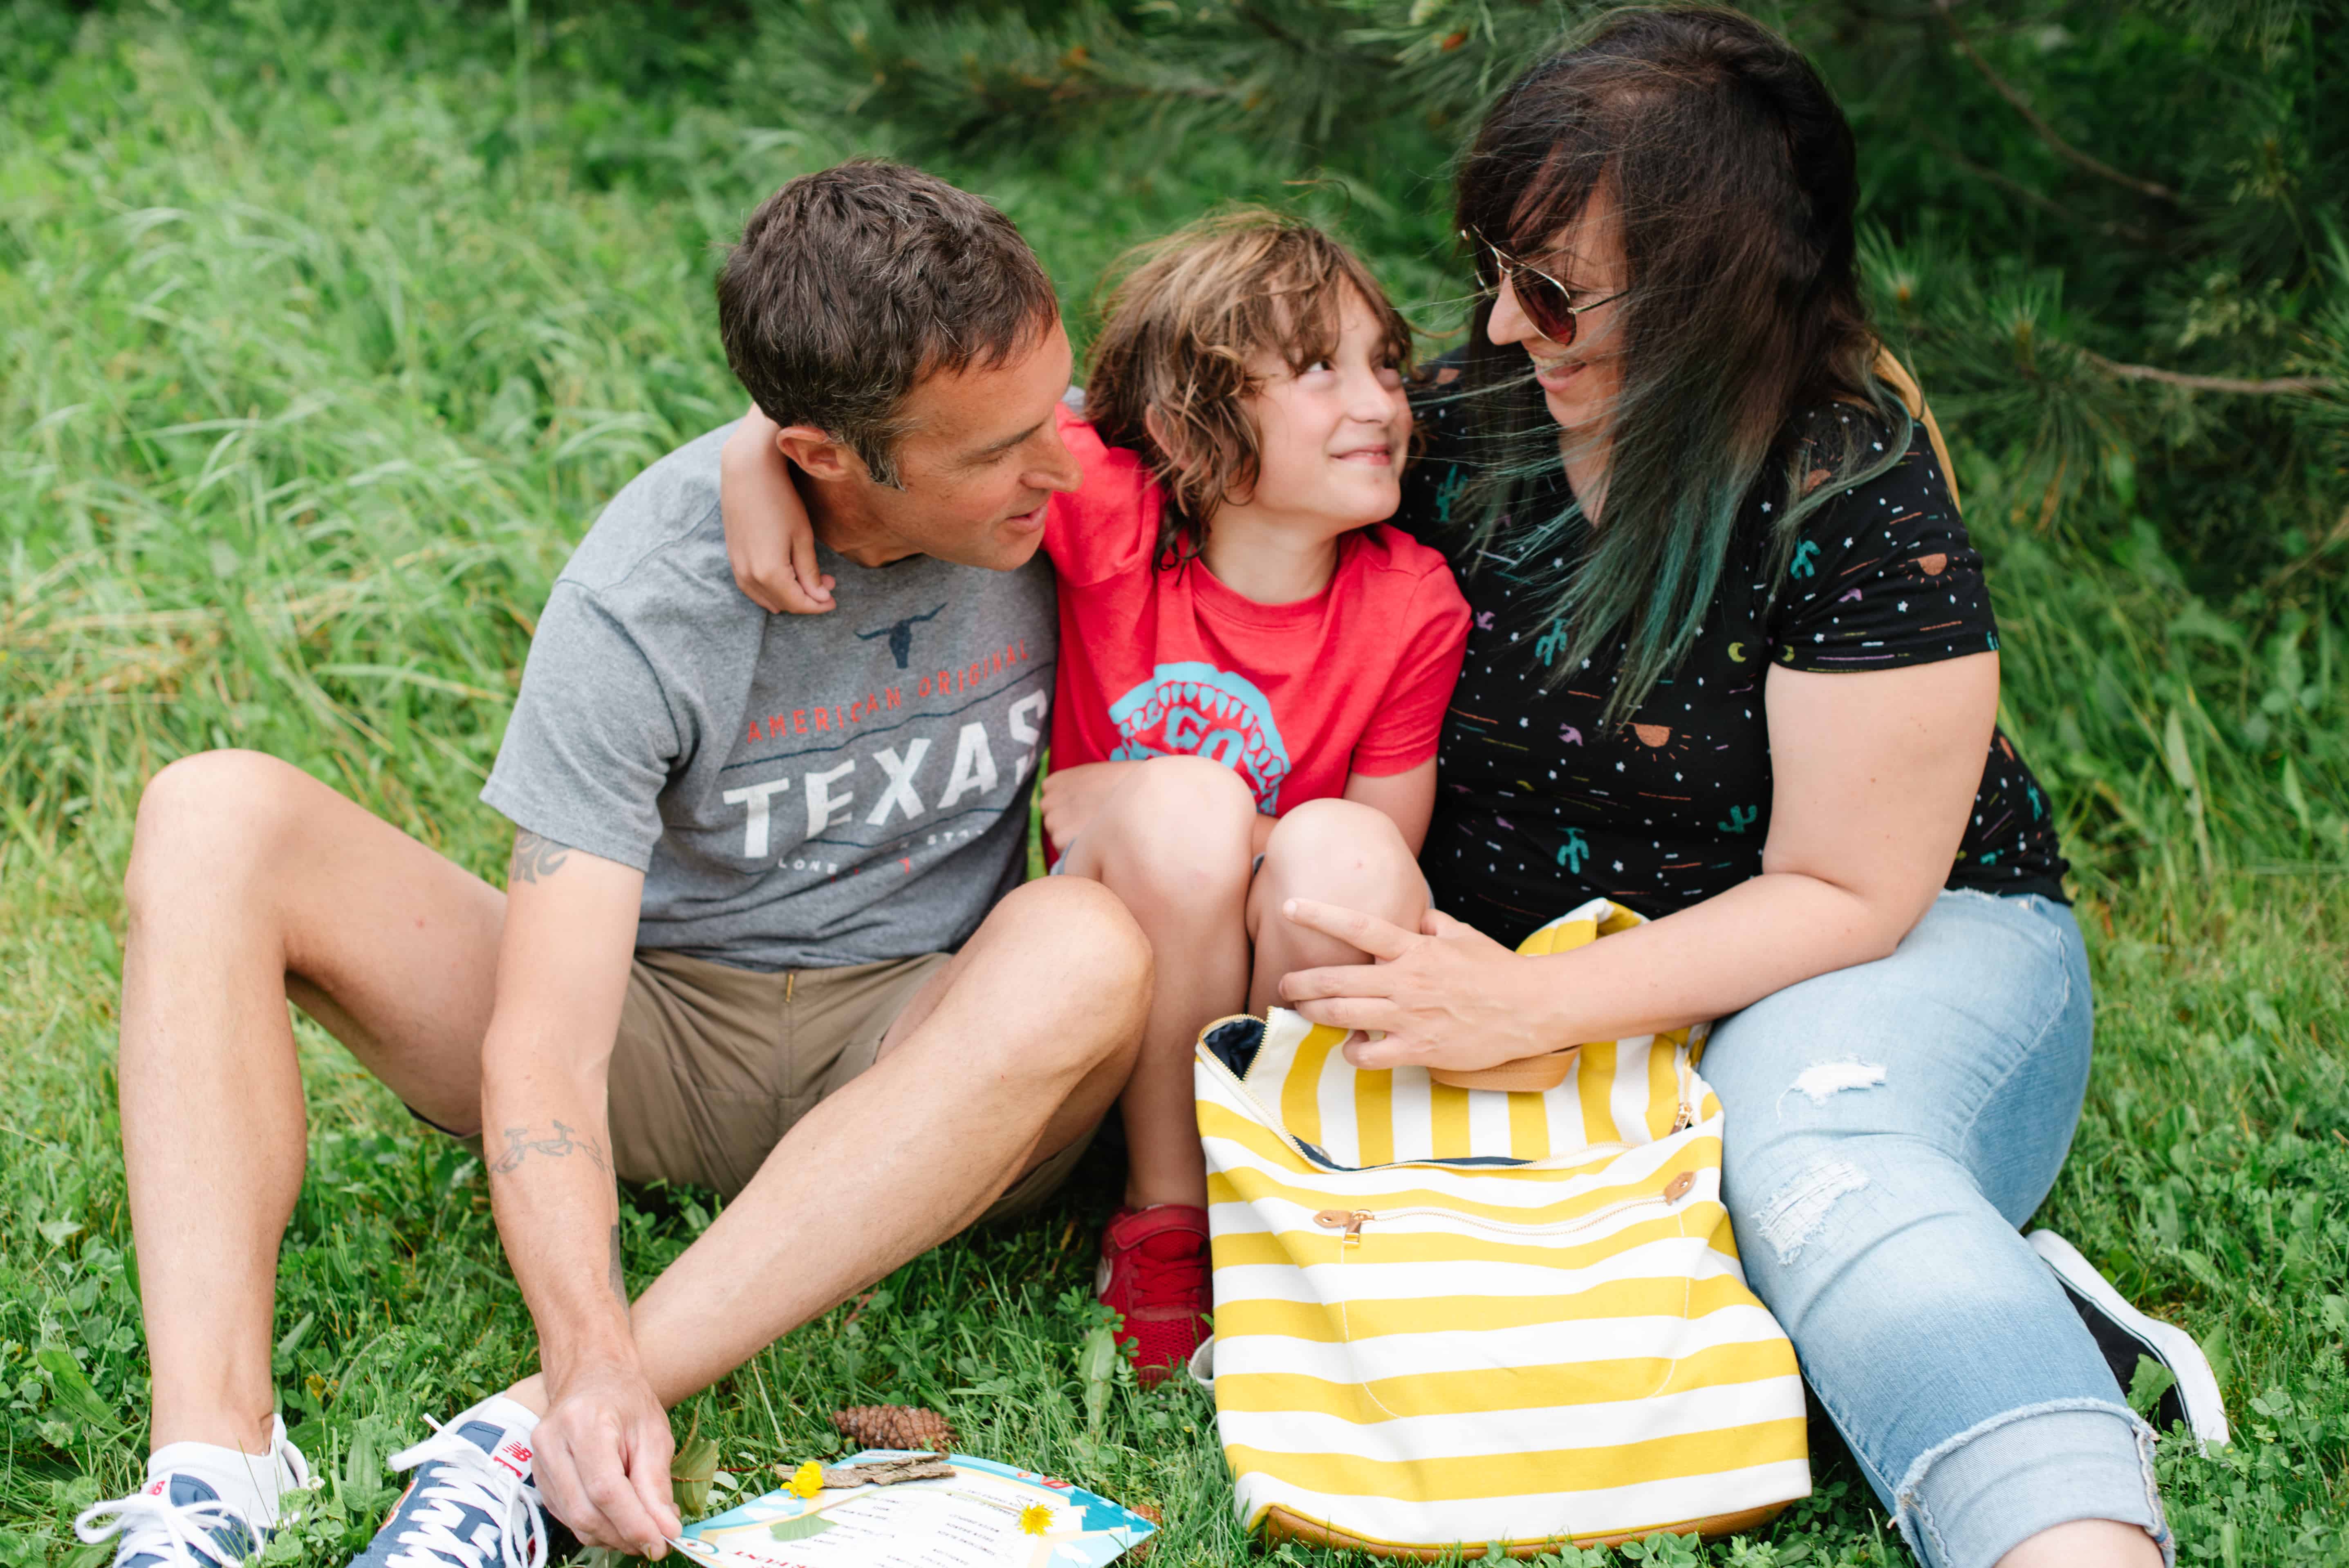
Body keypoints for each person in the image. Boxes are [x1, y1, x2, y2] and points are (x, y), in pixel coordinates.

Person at [71, 160, 1154, 1568]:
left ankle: (520, 1437)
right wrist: (583, 1328)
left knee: (1086, 941)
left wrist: (587, 1373)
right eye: (998, 448)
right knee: (213, 810)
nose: (1058, 460)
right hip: (661, 1026)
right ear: (823, 449)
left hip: (922, 1047)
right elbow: (545, 1040)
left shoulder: (1088, 489)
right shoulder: (650, 586)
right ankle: (212, 1467)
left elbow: (1332, 423)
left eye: (1049, 411)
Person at [1264, 11, 2217, 1568]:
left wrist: (1532, 1011)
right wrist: (774, 447)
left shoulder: (1848, 481)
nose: (1503, 326)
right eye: (1491, 267)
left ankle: (2057, 1529)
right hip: (1545, 982)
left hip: (1873, 943)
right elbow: (1138, 456)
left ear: (1715, 301)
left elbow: (1852, 889)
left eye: (1554, 292)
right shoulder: (1466, 414)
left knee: (1806, 1157)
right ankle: (2023, 1312)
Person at [719, 211, 1471, 1380]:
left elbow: (1379, 869)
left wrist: (1174, 806)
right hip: (1114, 964)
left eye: (1383, 363)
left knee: (1341, 853)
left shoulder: (1412, 604)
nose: (1377, 400)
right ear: (1187, 423)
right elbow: (913, 419)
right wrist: (753, 448)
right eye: (1318, 369)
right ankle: (1166, 1217)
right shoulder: (1110, 511)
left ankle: (1296, 1210)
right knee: (1188, 813)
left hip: (1285, 967)